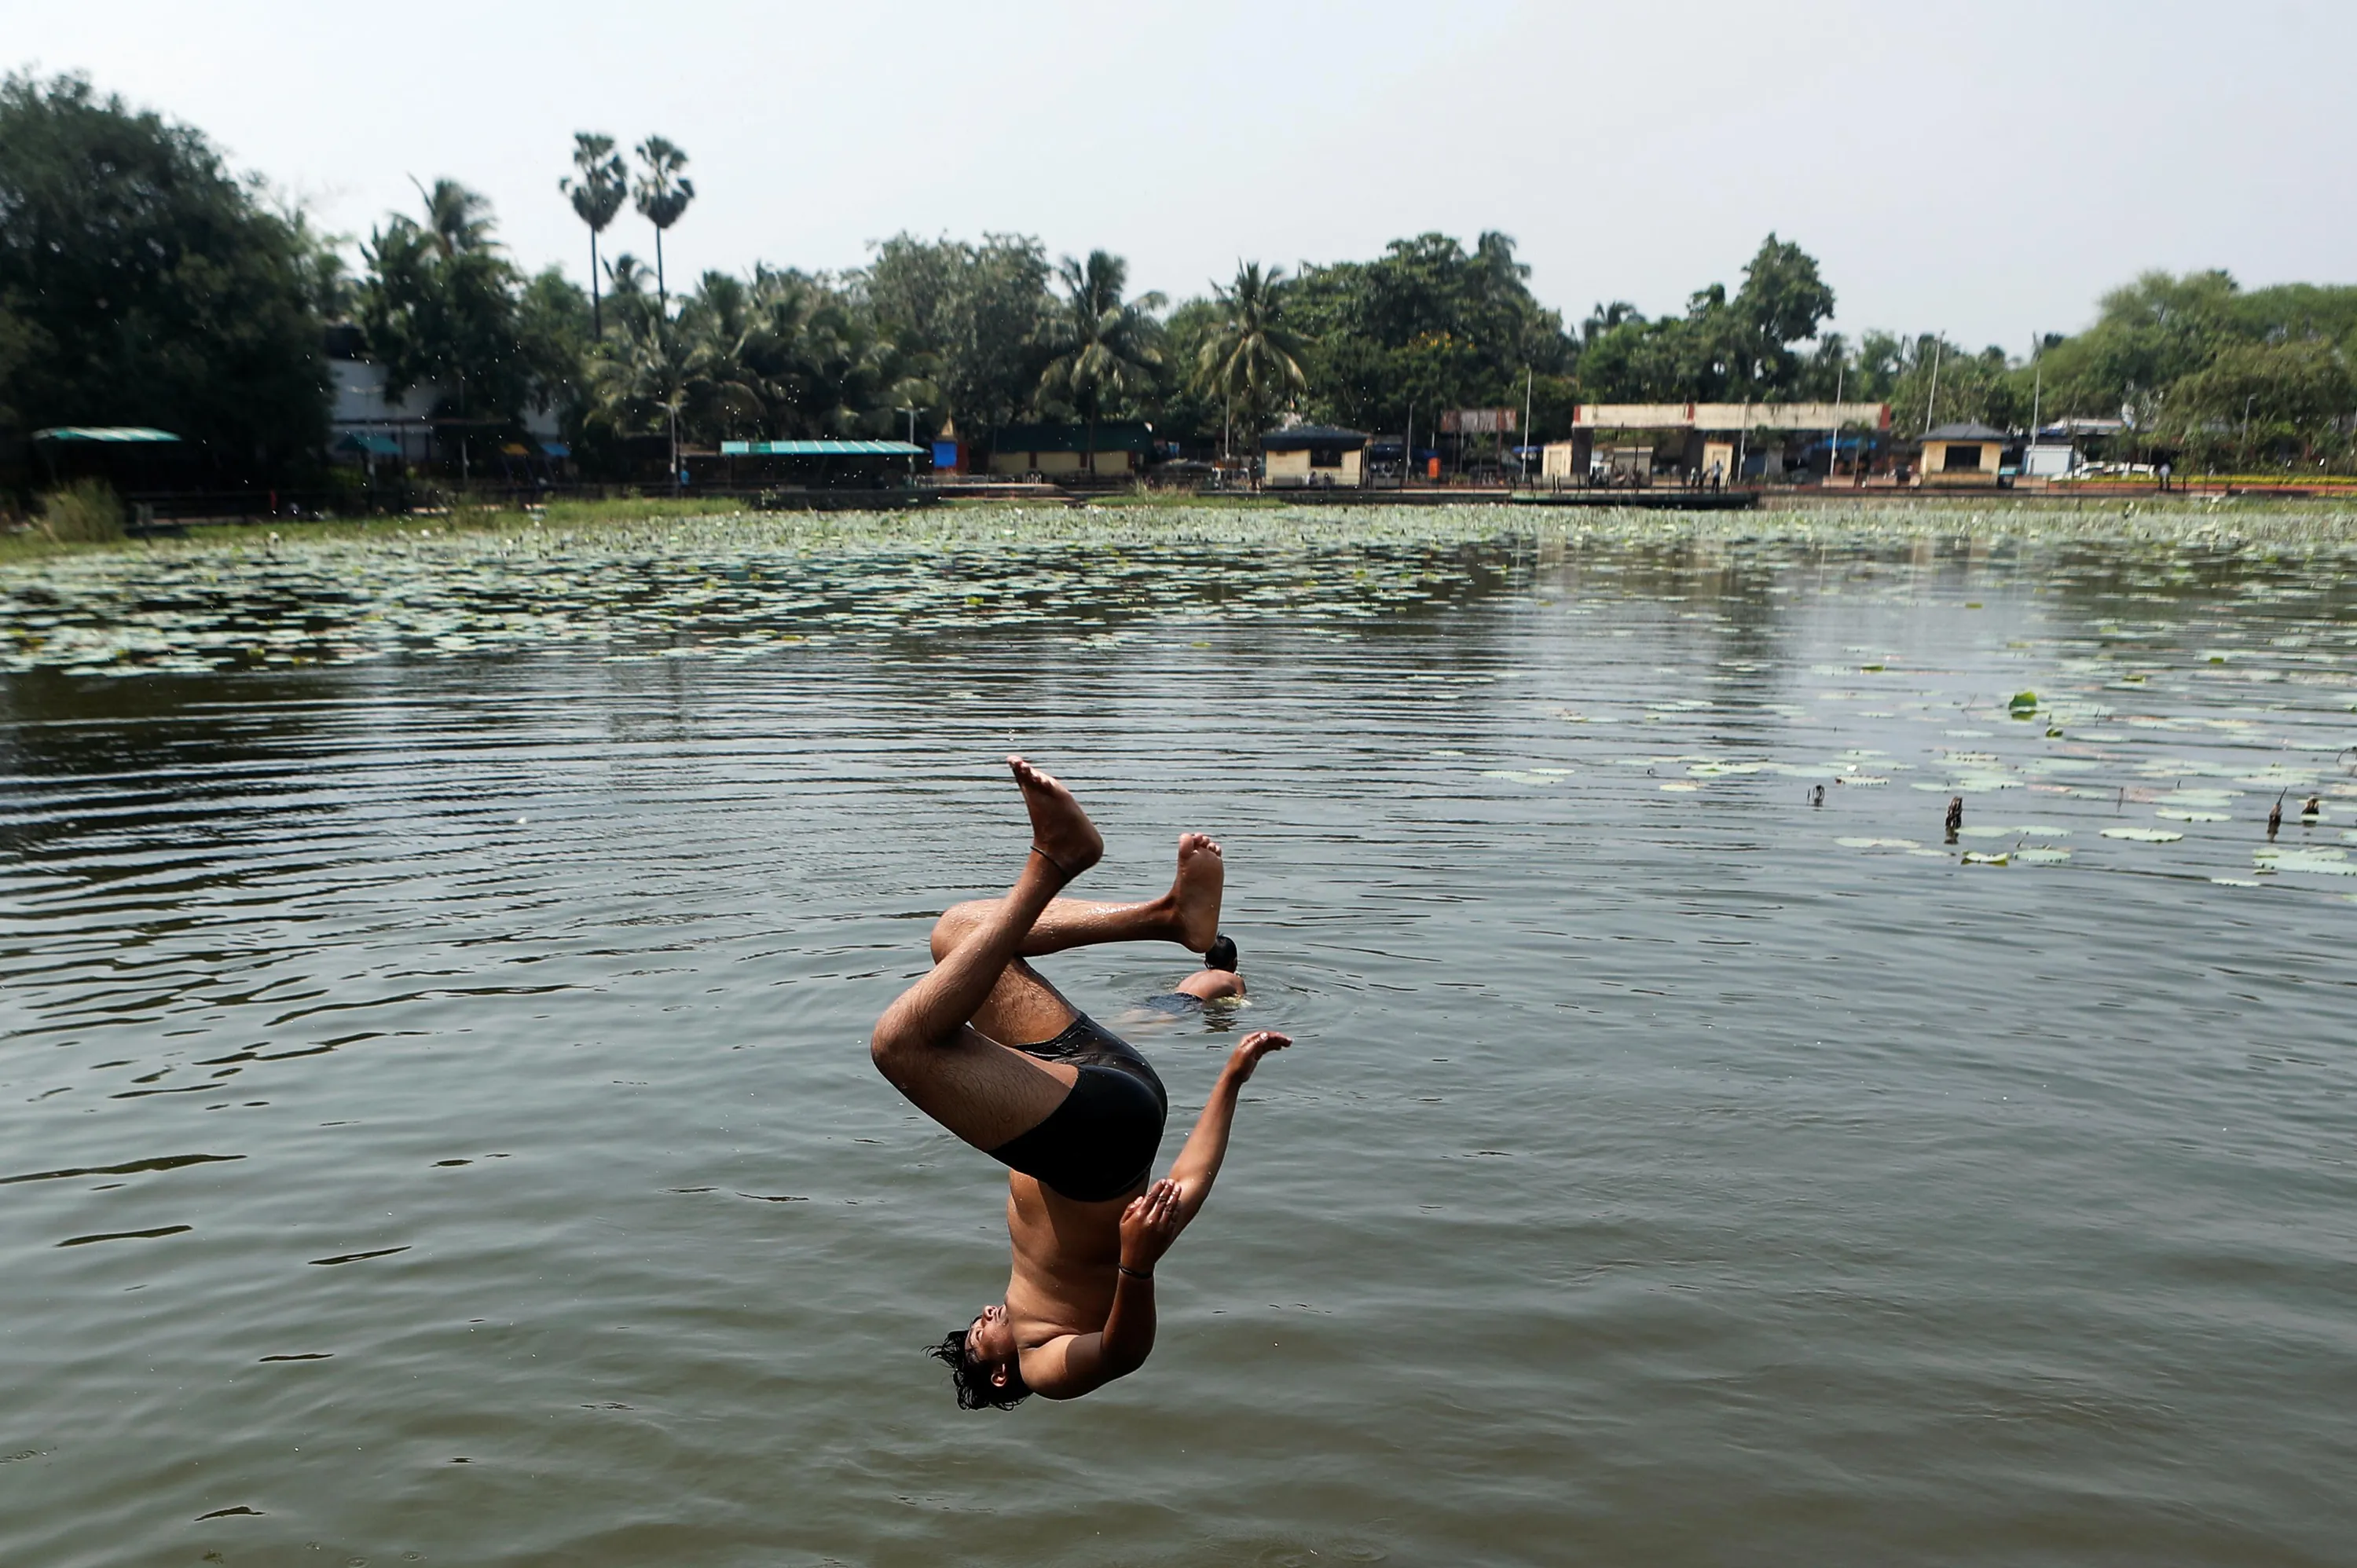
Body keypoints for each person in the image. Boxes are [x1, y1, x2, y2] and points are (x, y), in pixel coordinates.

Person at [868, 757, 1293, 1409]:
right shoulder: (1042, 1362)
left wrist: (1231, 1079)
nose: (984, 1315)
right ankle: (1056, 861)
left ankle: (1168, 917)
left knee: (957, 933)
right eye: (978, 1336)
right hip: (1101, 1139)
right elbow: (1123, 1354)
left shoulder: (1034, 1272)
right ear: (1000, 1374)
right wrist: (1138, 1266)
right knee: (899, 1046)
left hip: (1110, 1084)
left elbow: (1183, 1189)